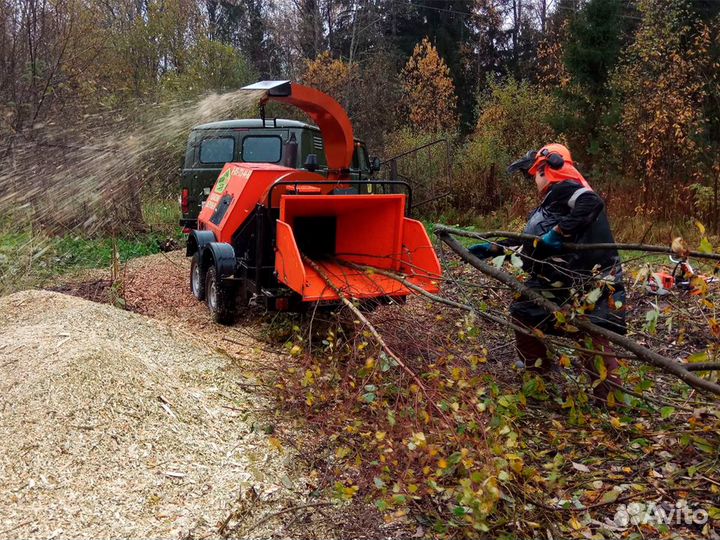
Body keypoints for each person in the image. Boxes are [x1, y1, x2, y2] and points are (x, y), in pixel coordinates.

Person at [469, 144, 626, 401]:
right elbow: (533, 243)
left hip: (579, 279)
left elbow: (591, 202)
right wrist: (493, 248)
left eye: (535, 174)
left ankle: (542, 375)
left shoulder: (570, 190)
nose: (534, 181)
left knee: (588, 333)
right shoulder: (556, 200)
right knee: (582, 332)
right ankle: (597, 395)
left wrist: (558, 233)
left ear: (547, 168)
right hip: (568, 280)